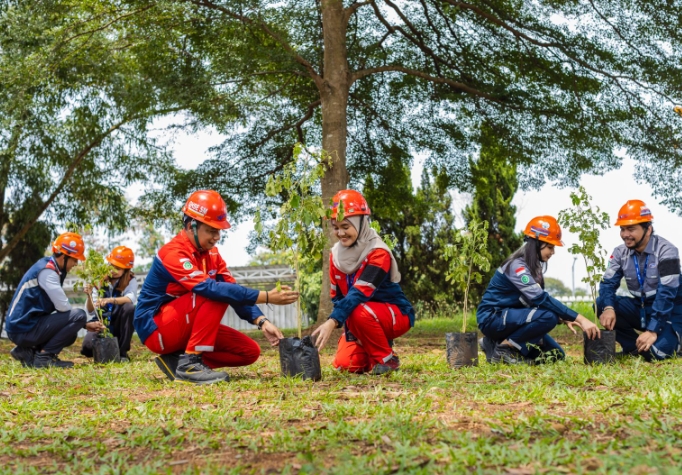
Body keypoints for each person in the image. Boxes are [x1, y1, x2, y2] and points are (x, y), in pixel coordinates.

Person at [133, 190, 299, 384]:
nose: (217, 236)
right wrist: (267, 297)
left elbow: (232, 288)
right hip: (156, 330)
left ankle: (178, 362)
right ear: (191, 226)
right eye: (211, 230)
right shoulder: (173, 253)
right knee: (213, 291)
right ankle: (190, 364)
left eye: (219, 231)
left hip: (181, 326)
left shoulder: (212, 255)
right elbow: (212, 289)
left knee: (249, 352)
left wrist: (261, 321)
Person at [312, 189, 415, 375]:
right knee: (346, 364)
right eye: (336, 227)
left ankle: (387, 359)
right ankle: (373, 344)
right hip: (358, 317)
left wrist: (332, 321)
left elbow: (358, 293)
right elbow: (337, 297)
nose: (340, 233)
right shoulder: (335, 255)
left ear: (361, 223)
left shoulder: (378, 253)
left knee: (357, 308)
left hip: (394, 314)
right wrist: (354, 333)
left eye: (346, 226)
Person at [476, 216, 601, 364]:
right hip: (492, 317)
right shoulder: (518, 267)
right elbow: (541, 299)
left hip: (512, 319)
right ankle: (504, 349)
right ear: (536, 243)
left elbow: (536, 303)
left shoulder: (534, 269)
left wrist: (564, 318)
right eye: (550, 247)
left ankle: (494, 345)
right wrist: (580, 318)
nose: (553, 252)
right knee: (549, 317)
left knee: (555, 354)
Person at [596, 200, 682, 360]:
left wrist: (652, 331)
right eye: (622, 229)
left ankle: (672, 339)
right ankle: (633, 347)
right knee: (601, 302)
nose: (625, 234)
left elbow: (666, 294)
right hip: (641, 307)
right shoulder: (620, 252)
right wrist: (608, 307)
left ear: (648, 229)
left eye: (631, 229)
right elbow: (607, 283)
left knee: (655, 354)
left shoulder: (667, 251)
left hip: (670, 311)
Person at [5, 232, 105, 368]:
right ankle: (44, 358)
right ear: (64, 256)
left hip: (24, 326)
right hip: (22, 328)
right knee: (79, 315)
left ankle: (27, 351)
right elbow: (64, 307)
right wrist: (85, 324)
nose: (76, 264)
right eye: (74, 259)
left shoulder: (51, 267)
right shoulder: (48, 272)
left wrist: (82, 324)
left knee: (70, 335)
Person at [81, 246, 138, 361]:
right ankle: (108, 348)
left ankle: (122, 352)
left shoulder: (131, 280)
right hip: (102, 322)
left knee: (129, 308)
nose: (113, 270)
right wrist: (89, 295)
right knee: (87, 347)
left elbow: (131, 298)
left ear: (126, 270)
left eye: (118, 268)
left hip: (118, 324)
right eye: (112, 266)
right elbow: (91, 310)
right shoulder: (99, 280)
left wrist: (109, 300)